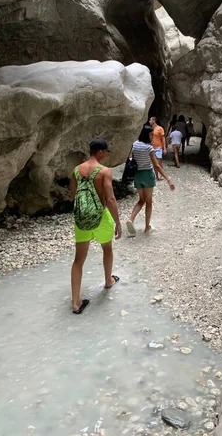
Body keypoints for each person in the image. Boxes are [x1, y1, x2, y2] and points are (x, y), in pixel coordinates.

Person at [69, 138, 122, 314]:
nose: (106, 155)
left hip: (82, 219)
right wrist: (118, 222)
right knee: (107, 248)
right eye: (106, 152)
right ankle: (108, 280)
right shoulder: (104, 171)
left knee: (78, 260)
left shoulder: (76, 171)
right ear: (99, 152)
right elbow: (110, 199)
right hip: (101, 217)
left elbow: (73, 196)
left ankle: (76, 302)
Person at [126, 125, 175, 235]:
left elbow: (133, 160)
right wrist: (168, 179)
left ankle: (130, 219)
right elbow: (156, 165)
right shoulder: (149, 148)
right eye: (151, 134)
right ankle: (147, 227)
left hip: (137, 175)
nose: (152, 136)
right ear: (147, 134)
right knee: (148, 202)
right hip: (147, 175)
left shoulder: (135, 145)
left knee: (141, 200)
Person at [149, 116, 167, 181]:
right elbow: (150, 139)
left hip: (159, 147)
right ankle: (157, 176)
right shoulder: (150, 129)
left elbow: (163, 138)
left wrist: (164, 148)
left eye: (150, 120)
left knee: (158, 162)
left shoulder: (160, 128)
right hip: (152, 148)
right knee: (155, 163)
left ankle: (161, 174)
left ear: (154, 121)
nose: (149, 121)